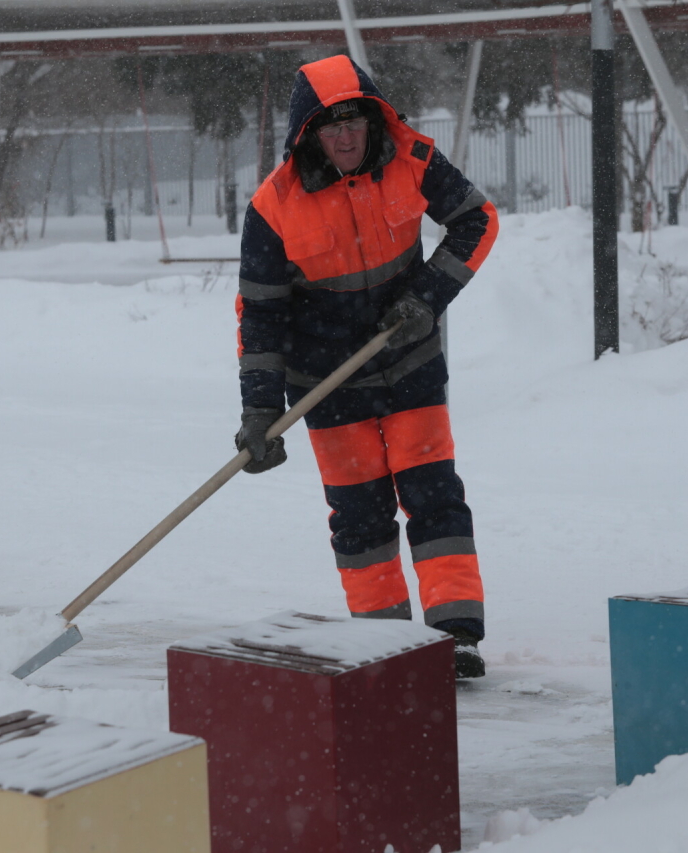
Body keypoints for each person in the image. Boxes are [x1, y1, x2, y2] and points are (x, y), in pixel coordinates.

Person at [234, 56, 499, 678]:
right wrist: (260, 408)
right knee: (360, 518)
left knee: (434, 496)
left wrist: (425, 299)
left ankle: (456, 634)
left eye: (355, 123)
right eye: (332, 127)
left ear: (374, 121)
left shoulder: (412, 161)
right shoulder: (274, 207)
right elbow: (261, 315)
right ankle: (386, 647)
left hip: (410, 363)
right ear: (309, 134)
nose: (346, 138)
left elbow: (476, 220)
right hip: (326, 386)